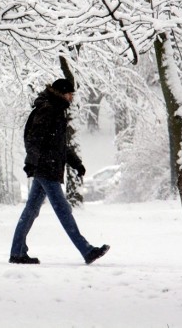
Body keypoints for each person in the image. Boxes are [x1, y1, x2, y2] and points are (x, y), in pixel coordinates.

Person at [9, 78, 110, 265]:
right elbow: (35, 138)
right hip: (46, 168)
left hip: (47, 167)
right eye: (70, 94)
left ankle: (17, 252)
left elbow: (60, 145)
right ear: (62, 93)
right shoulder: (49, 110)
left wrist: (76, 163)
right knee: (63, 210)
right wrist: (31, 162)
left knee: (30, 211)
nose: (72, 97)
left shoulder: (55, 111)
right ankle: (86, 250)